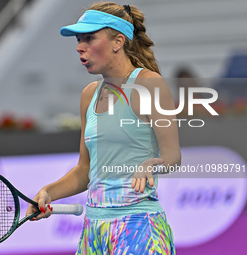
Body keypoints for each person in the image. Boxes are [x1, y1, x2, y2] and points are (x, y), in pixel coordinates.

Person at [26, 2, 181, 254]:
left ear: (118, 41)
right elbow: (85, 170)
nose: (79, 47)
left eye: (89, 38)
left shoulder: (150, 84)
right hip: (94, 232)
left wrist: (152, 163)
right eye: (79, 39)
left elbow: (172, 156)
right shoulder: (89, 95)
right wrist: (47, 192)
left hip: (140, 228)